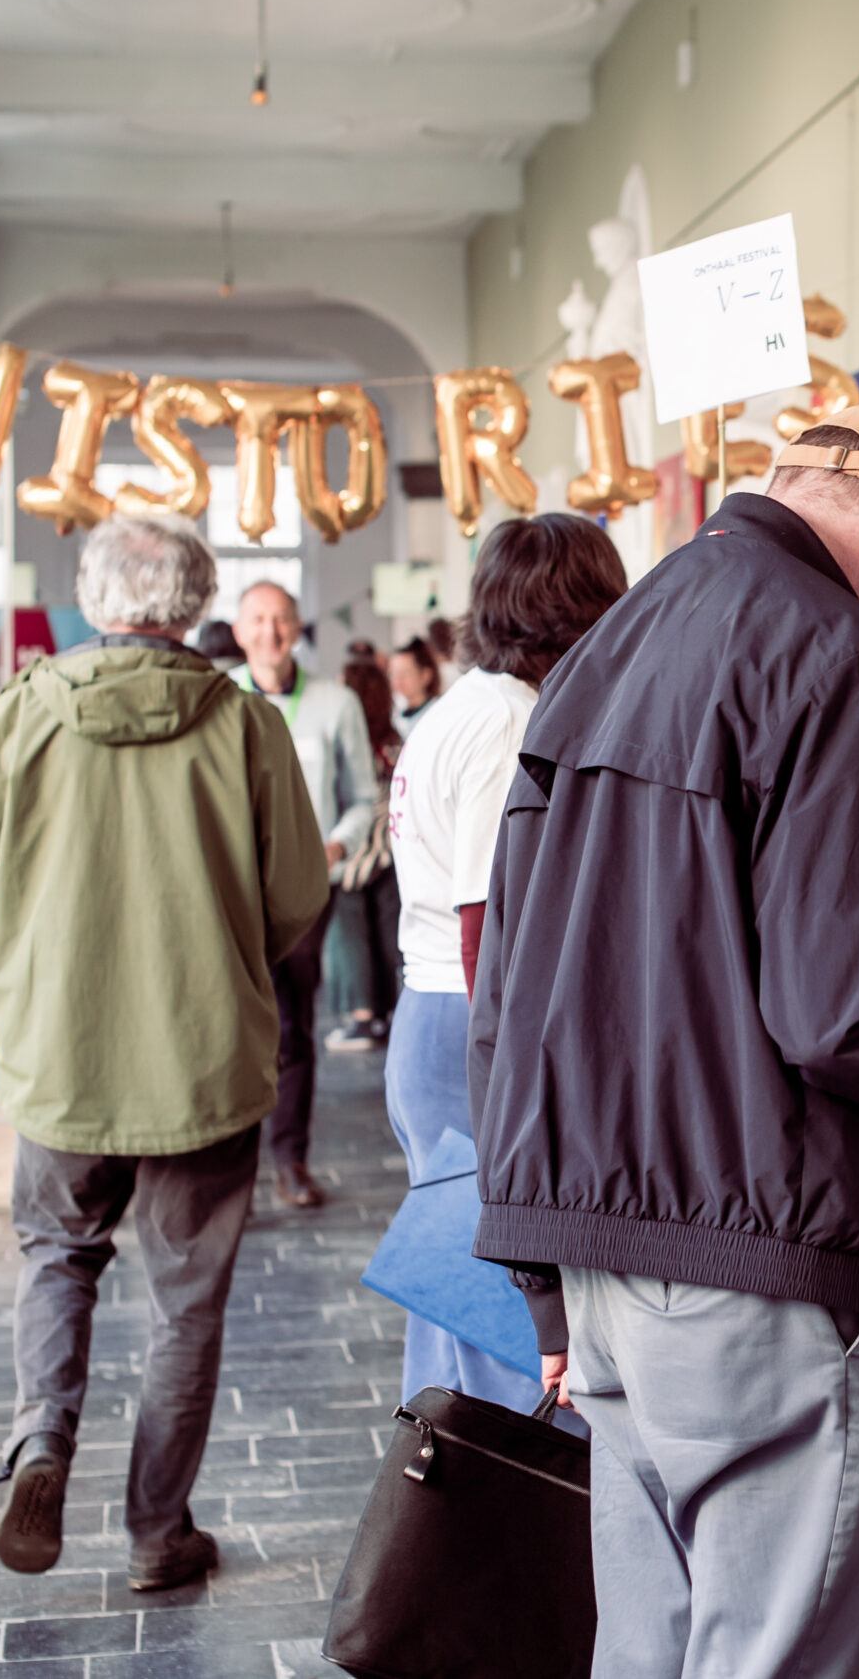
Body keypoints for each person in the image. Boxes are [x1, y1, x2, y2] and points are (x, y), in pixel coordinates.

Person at [470, 402, 859, 1679]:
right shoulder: (843, 653)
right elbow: (850, 1010)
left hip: (604, 1252)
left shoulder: (615, 638)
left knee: (653, 1653)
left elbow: (511, 986)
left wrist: (543, 1273)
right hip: (758, 1254)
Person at [0, 513, 329, 1593]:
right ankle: (158, 1531)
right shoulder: (247, 724)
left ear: (94, 598)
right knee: (185, 1303)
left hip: (60, 1057)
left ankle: (42, 1441)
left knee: (56, 1256)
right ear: (197, 604)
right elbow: (300, 895)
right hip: (203, 1065)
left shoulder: (22, 713)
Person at [385, 512, 627, 1414]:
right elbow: (492, 916)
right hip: (471, 1022)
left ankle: (435, 1530)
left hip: (435, 1016)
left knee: (450, 1306)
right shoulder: (505, 722)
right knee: (505, 1328)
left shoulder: (464, 706)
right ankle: (504, 1544)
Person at [232, 581, 377, 1209]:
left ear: (299, 629)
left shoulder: (334, 702)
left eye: (282, 620)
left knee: (292, 1025)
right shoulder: (218, 698)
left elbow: (365, 799)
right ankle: (232, 1171)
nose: (270, 632)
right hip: (229, 894)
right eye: (258, 620)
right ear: (239, 630)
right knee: (229, 1029)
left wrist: (336, 848)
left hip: (299, 895)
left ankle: (290, 1158)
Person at [324, 656, 403, 1055]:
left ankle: (360, 1017)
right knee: (387, 939)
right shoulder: (395, 743)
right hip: (390, 857)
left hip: (353, 857)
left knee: (351, 938)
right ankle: (385, 1016)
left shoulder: (356, 749)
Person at [386, 636, 441, 736]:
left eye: (404, 673)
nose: (397, 680)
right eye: (393, 674)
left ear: (425, 675)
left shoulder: (437, 715)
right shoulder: (395, 713)